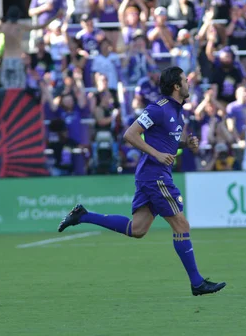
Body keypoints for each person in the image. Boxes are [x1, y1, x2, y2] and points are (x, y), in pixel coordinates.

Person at [58, 66, 226, 296]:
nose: (189, 83)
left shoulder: (178, 112)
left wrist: (186, 144)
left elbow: (167, 142)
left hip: (154, 173)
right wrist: (156, 154)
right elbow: (130, 134)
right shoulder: (158, 109)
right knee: (181, 224)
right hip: (154, 174)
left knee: (137, 229)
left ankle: (83, 215)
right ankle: (197, 282)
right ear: (177, 86)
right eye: (185, 80)